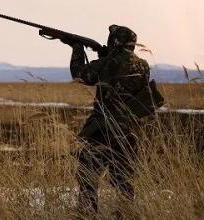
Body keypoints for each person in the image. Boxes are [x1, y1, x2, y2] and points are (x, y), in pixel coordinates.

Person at [61, 25, 152, 217]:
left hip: (103, 130)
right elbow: (118, 73)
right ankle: (125, 214)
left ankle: (87, 214)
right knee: (123, 178)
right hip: (129, 130)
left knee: (88, 173)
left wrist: (77, 48)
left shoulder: (107, 63)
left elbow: (80, 75)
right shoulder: (143, 65)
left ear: (114, 42)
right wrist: (104, 54)